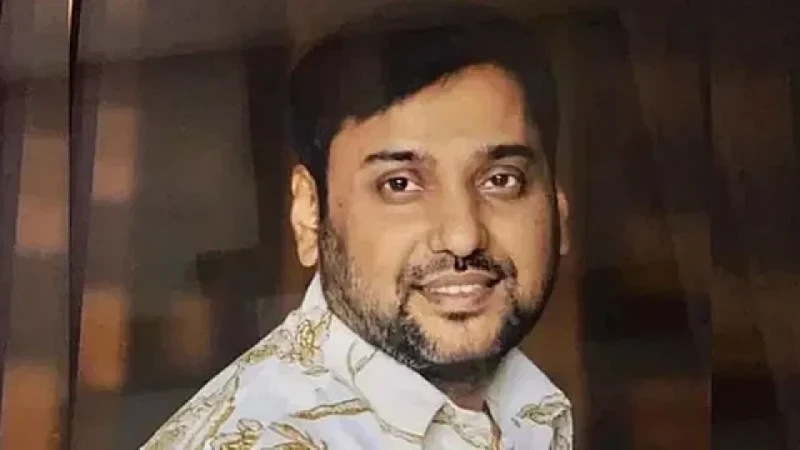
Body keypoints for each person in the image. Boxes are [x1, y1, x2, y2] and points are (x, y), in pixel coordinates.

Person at [143, 2, 572, 449]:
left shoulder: (525, 409)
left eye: (501, 180)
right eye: (400, 184)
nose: (463, 236)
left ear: (559, 206)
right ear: (309, 214)